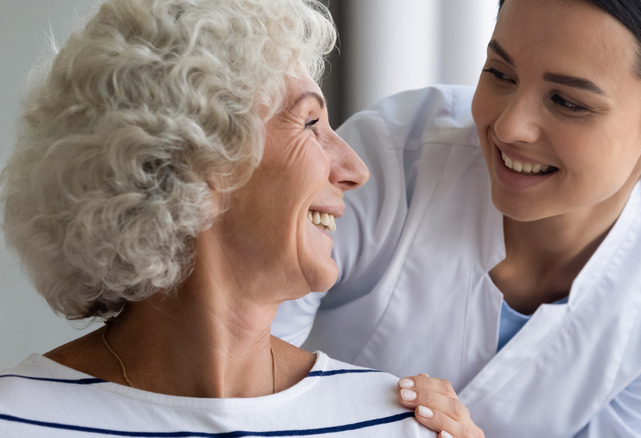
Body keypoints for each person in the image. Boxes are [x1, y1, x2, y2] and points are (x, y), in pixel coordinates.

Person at [273, 0, 641, 436]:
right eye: (500, 74)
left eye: (567, 102)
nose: (509, 126)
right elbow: (238, 381)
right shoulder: (383, 159)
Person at [0, 0, 442, 436]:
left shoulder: (400, 422)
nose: (355, 169)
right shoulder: (14, 418)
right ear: (193, 159)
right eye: (310, 124)